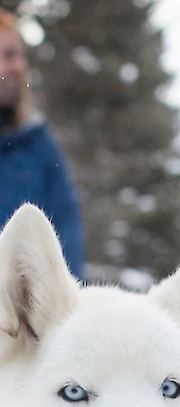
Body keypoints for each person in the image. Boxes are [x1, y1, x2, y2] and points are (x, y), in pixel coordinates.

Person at [0, 10, 84, 278]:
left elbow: (69, 252)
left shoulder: (39, 147)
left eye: (20, 55)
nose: (19, 66)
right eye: (7, 55)